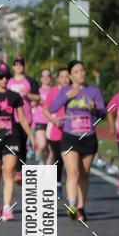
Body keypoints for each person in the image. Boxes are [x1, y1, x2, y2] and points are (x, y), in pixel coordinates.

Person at [49, 60, 105, 221]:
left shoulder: (94, 91)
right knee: (73, 171)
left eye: (82, 70)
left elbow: (102, 113)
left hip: (88, 137)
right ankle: (72, 205)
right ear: (71, 76)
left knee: (84, 175)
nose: (80, 73)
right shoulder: (66, 91)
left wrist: (94, 108)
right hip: (69, 137)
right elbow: (52, 108)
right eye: (76, 71)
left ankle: (81, 208)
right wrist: (67, 95)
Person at [0, 61, 33, 220]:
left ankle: (7, 207)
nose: (4, 80)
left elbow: (22, 118)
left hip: (12, 136)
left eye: (7, 76)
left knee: (9, 172)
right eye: (1, 77)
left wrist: (32, 137)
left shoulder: (14, 96)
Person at [7, 57, 39, 179]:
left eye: (21, 64)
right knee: (14, 142)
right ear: (13, 67)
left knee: (23, 143)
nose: (18, 66)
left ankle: (20, 168)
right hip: (10, 117)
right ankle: (11, 165)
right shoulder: (8, 81)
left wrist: (28, 95)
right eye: (16, 64)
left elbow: (38, 97)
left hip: (25, 116)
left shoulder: (30, 81)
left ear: (24, 66)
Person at [43, 67, 70, 199]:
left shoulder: (74, 91)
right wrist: (54, 120)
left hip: (71, 132)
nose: (65, 79)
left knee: (68, 160)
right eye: (62, 76)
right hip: (55, 131)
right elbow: (45, 110)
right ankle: (57, 184)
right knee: (58, 158)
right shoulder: (53, 91)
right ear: (58, 79)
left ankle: (70, 187)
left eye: (67, 76)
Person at [31, 68, 52, 165]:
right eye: (44, 76)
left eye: (48, 76)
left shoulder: (54, 91)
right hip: (40, 121)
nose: (46, 78)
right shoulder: (37, 91)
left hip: (52, 122)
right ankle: (41, 162)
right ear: (41, 78)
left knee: (50, 148)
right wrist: (34, 102)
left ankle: (48, 166)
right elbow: (30, 103)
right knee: (42, 145)